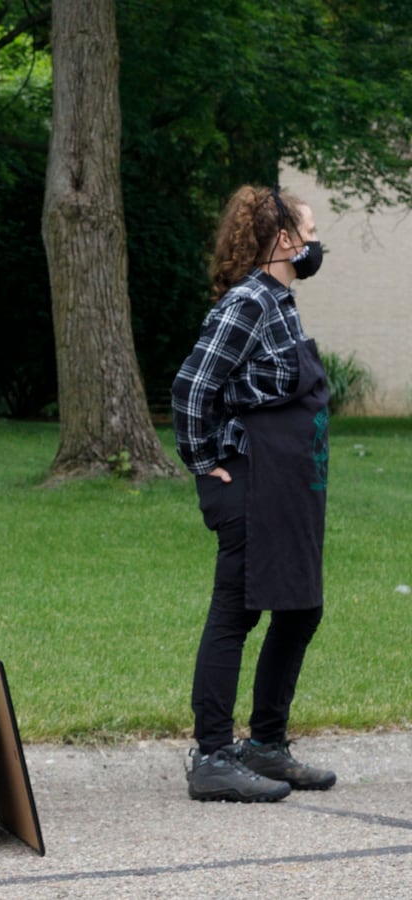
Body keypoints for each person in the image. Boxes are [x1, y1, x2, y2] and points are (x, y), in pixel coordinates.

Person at [170, 185, 337, 803]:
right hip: (247, 482)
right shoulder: (248, 302)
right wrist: (204, 460)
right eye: (311, 230)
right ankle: (212, 755)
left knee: (300, 608)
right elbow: (192, 387)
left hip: (285, 485)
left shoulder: (280, 300)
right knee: (236, 612)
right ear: (284, 239)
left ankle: (265, 744)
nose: (317, 242)